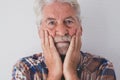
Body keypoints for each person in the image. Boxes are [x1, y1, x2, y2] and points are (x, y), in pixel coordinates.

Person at [12, 0, 116, 80]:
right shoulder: (24, 68)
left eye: (69, 21)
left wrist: (71, 73)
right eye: (52, 23)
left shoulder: (102, 67)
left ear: (80, 29)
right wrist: (54, 74)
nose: (62, 32)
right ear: (40, 31)